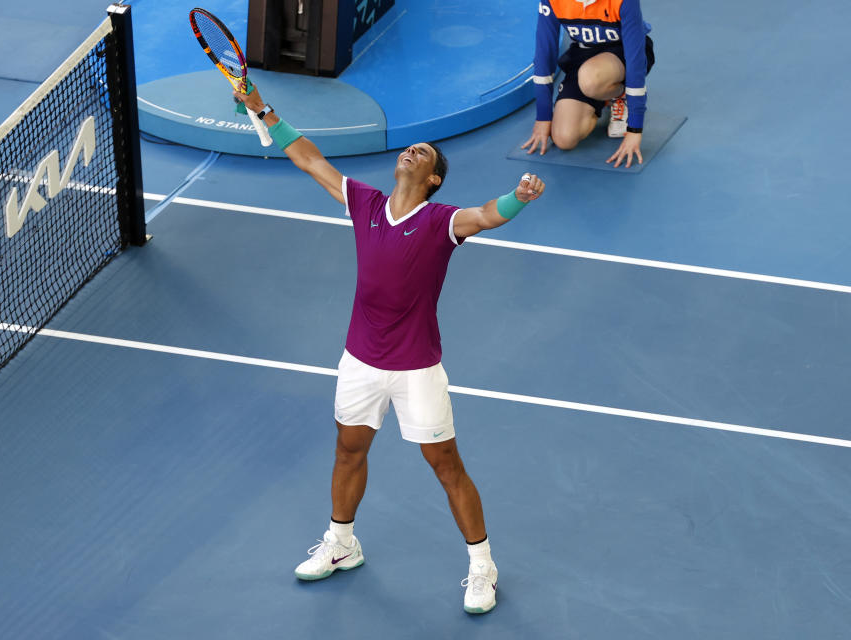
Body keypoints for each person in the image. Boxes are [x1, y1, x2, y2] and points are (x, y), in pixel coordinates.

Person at [234, 86, 545, 615]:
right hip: (359, 361)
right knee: (348, 452)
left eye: (423, 153)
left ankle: (482, 567)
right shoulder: (366, 204)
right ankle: (342, 544)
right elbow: (310, 160)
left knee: (446, 465)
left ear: (433, 180)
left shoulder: (441, 221)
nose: (411, 151)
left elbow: (489, 215)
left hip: (416, 369)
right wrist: (263, 108)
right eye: (410, 148)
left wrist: (521, 195)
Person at [521, 0, 654, 168]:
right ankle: (606, 95)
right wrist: (543, 117)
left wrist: (634, 130)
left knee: (590, 79)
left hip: (624, 52)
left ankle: (621, 93)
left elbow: (635, 62)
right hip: (584, 54)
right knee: (564, 138)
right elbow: (544, 56)